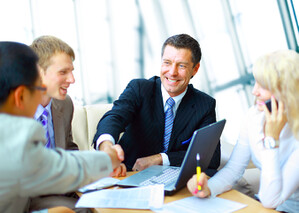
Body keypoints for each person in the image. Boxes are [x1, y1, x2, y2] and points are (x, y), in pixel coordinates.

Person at [0, 41, 123, 213]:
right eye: (36, 91)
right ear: (20, 96)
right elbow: (53, 166)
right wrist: (107, 159)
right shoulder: (15, 138)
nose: (72, 80)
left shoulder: (63, 105)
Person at [187, 49, 299, 213]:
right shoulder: (254, 116)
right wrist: (208, 188)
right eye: (255, 82)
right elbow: (234, 169)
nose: (255, 91)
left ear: (286, 90)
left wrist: (272, 139)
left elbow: (270, 200)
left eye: (264, 86)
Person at [93, 34, 220, 176]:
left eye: (182, 65)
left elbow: (211, 157)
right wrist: (106, 147)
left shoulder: (205, 104)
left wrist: (161, 159)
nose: (172, 72)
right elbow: (114, 117)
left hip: (174, 179)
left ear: (195, 69)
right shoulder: (139, 89)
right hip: (130, 173)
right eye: (167, 63)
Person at [28, 35, 91, 212]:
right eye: (63, 72)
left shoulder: (64, 103)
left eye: (72, 71)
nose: (72, 79)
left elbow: (68, 149)